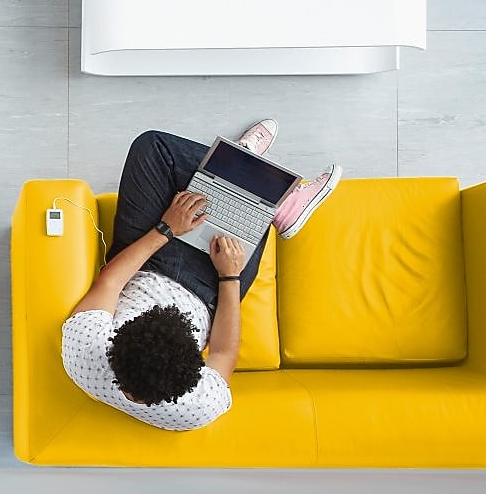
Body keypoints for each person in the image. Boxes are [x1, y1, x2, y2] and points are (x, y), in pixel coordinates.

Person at [60, 122, 341, 430]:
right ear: (194, 371)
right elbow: (222, 351)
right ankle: (274, 199)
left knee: (154, 147)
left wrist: (167, 229)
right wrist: (230, 276)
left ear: (114, 344)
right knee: (242, 215)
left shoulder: (85, 353)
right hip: (209, 287)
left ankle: (239, 164)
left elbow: (111, 283)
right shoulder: (199, 406)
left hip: (144, 265)